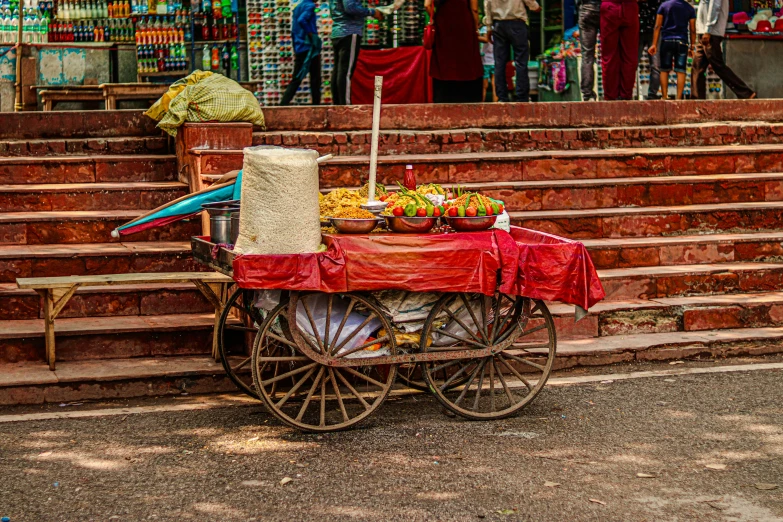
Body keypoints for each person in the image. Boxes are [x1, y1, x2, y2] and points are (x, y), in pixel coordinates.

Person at [691, 0, 756, 99]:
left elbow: (715, 6)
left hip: (711, 32)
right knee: (697, 66)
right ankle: (696, 100)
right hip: (704, 31)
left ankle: (746, 93)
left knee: (717, 65)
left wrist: (708, 30)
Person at [425, 0, 483, 103]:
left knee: (444, 63)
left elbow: (427, 5)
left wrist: (434, 19)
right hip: (465, 25)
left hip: (443, 24)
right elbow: (474, 9)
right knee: (467, 63)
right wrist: (475, 28)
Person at [329, 0, 384, 105]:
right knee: (345, 72)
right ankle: (345, 107)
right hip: (349, 32)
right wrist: (372, 12)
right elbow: (350, 8)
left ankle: (338, 105)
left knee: (338, 72)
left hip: (338, 31)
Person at [485, 0, 540, 102]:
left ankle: (502, 97)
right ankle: (522, 96)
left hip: (498, 25)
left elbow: (487, 4)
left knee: (499, 62)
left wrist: (489, 27)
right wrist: (536, 7)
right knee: (521, 62)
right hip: (517, 24)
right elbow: (530, 2)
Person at [648, 0, 695, 100]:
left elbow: (657, 26)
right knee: (681, 70)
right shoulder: (689, 8)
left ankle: (665, 96)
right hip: (682, 41)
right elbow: (692, 29)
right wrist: (692, 46)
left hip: (666, 40)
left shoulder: (664, 6)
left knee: (664, 70)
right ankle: (678, 98)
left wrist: (654, 44)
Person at [281, 0, 322, 106]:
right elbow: (302, 20)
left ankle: (283, 104)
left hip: (300, 47)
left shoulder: (298, 7)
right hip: (309, 47)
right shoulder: (310, 5)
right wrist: (311, 35)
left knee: (297, 78)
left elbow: (294, 30)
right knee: (315, 78)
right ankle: (316, 106)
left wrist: (295, 47)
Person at [600, 0, 640, 100]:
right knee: (630, 55)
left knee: (609, 56)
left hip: (610, 7)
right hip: (630, 7)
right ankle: (626, 95)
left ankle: (610, 96)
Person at [637, 0, 662, 99]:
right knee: (633, 63)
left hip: (652, 31)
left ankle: (652, 93)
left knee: (655, 65)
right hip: (642, 29)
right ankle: (628, 92)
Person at [577, 0, 601, 100]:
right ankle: (613, 92)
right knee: (610, 53)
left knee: (587, 54)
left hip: (586, 9)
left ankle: (587, 94)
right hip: (604, 8)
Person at [478, 26, 498, 101]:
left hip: (486, 62)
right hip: (492, 61)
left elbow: (485, 40)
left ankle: (483, 104)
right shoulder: (495, 29)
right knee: (493, 85)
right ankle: (494, 104)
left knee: (485, 86)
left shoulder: (484, 29)